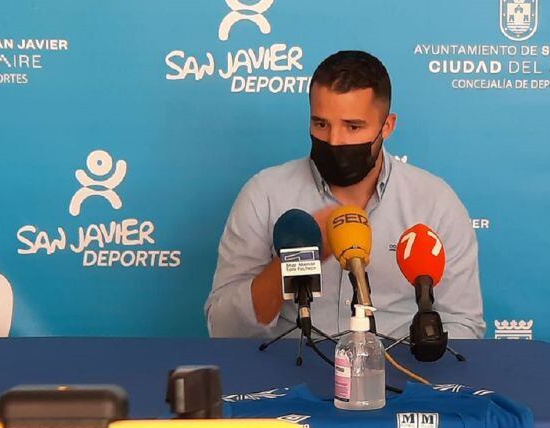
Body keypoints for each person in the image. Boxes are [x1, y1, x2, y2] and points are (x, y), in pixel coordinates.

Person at [206, 50, 485, 339]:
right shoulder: (264, 194)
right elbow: (224, 328)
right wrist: (297, 258)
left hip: (398, 371)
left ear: (387, 126)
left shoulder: (435, 203)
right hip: (291, 370)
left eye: (353, 127)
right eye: (321, 124)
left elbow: (463, 324)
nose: (335, 141)